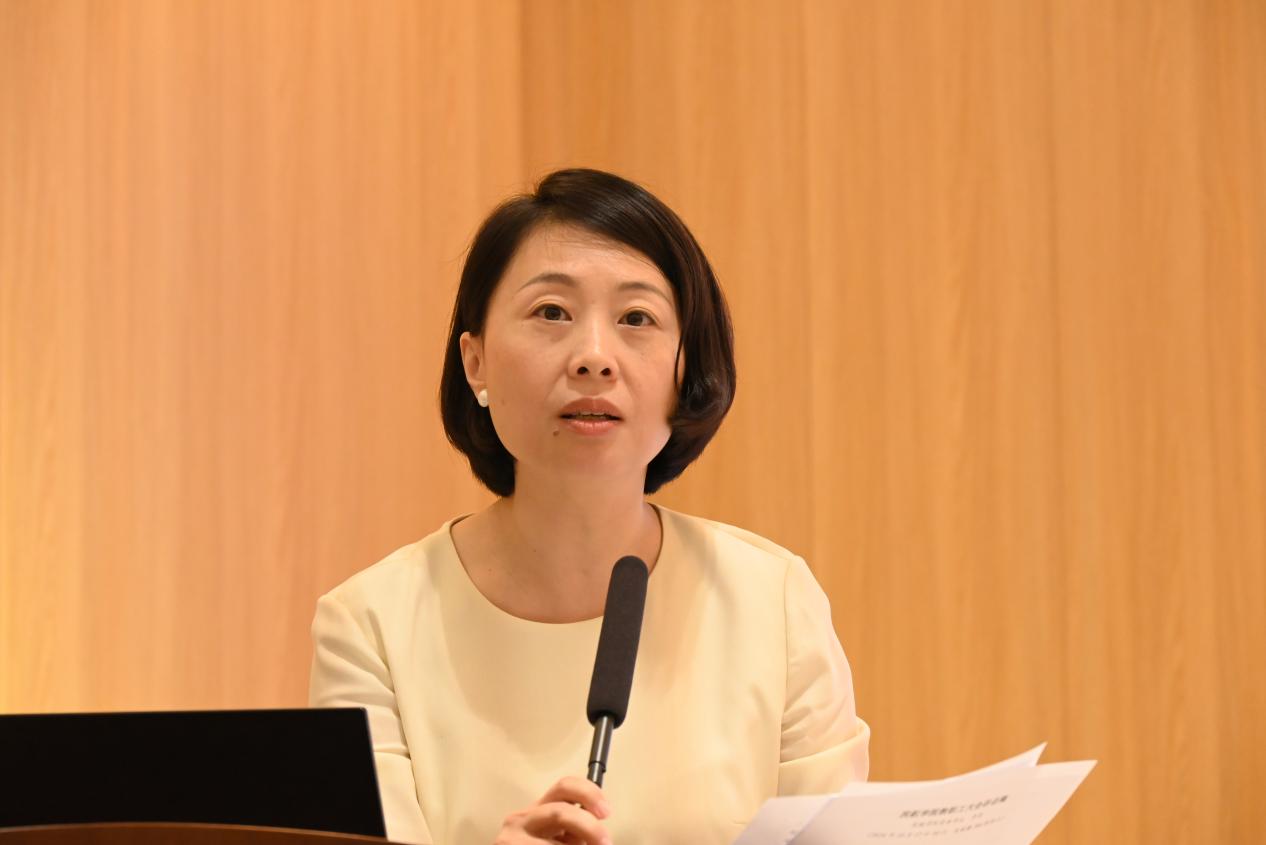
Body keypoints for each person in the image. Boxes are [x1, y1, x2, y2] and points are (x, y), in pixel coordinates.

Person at [308, 168, 869, 845]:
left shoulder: (771, 602)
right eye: (552, 312)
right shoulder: (370, 626)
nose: (594, 358)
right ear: (475, 362)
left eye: (636, 319)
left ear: (686, 369)